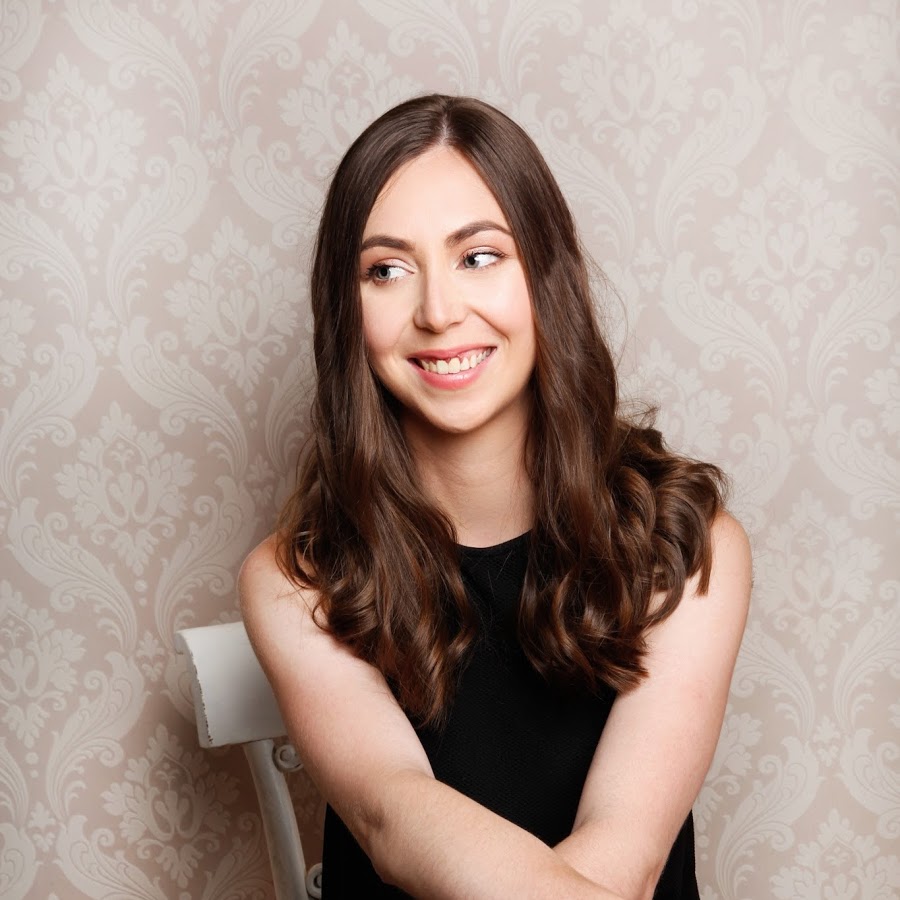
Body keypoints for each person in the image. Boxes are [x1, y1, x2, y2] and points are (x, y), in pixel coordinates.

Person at [239, 94, 752, 899]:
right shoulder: (294, 578)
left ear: (546, 274)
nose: (439, 312)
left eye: (478, 256)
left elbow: (627, 852)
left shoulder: (686, 541)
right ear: (348, 311)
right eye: (387, 270)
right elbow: (391, 815)